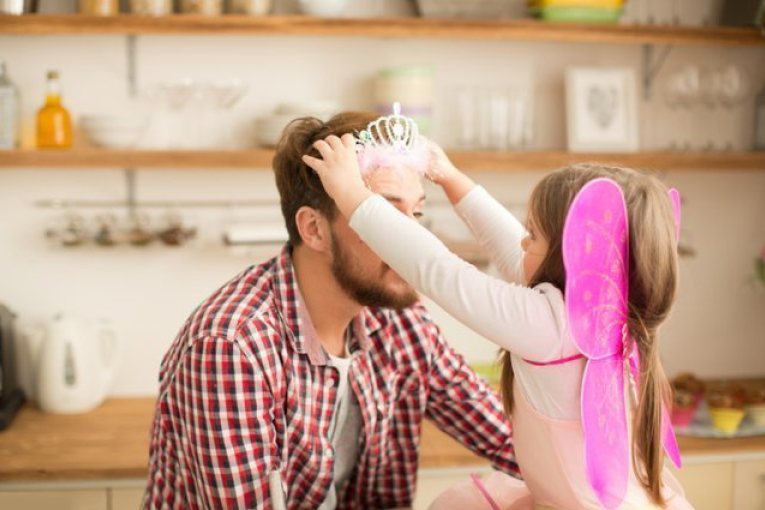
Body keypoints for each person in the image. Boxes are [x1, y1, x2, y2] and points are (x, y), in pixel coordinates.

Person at [303, 117, 695, 508]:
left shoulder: (551, 326)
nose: (522, 241)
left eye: (534, 235)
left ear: (570, 255)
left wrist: (352, 194)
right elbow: (513, 249)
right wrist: (451, 179)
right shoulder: (597, 315)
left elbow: (438, 269)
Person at [142, 110, 520, 510]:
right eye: (385, 216)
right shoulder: (231, 347)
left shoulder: (400, 320)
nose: (413, 241)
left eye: (417, 214)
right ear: (314, 229)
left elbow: (509, 439)